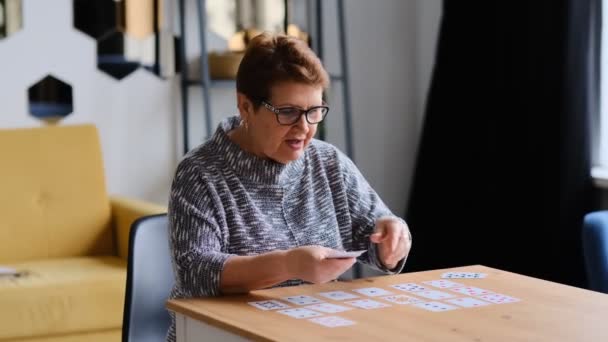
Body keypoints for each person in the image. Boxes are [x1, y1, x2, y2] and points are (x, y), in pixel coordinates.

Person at [166, 32, 412, 341]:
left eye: (314, 111)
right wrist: (288, 264)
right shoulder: (200, 173)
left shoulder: (328, 162)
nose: (305, 128)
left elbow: (374, 235)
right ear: (245, 107)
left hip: (312, 331)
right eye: (288, 112)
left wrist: (392, 237)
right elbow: (197, 272)